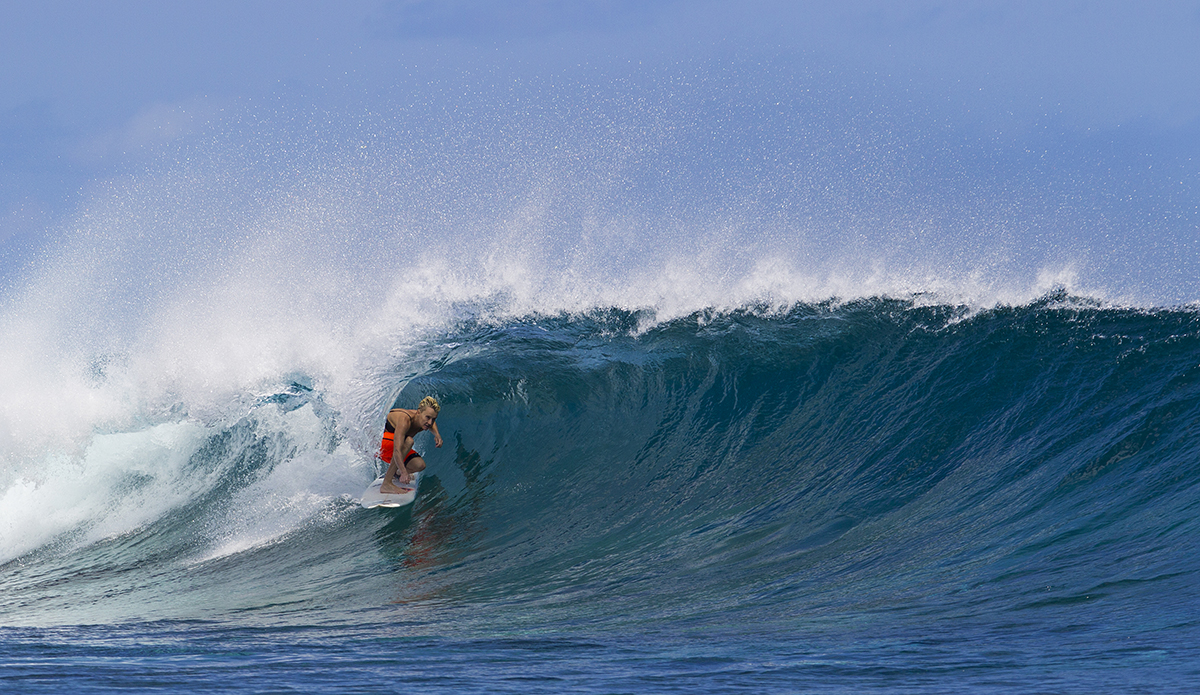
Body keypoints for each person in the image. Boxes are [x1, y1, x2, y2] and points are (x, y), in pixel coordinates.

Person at [378, 396, 443, 494]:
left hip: (388, 446)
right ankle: (386, 484)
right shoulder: (405, 420)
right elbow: (397, 450)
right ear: (418, 412)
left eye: (433, 419)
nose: (430, 422)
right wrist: (404, 472)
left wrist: (437, 434)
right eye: (428, 418)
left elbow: (431, 422)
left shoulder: (423, 420)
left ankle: (396, 473)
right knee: (408, 441)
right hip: (376, 443)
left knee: (419, 465)